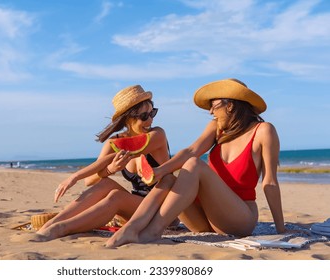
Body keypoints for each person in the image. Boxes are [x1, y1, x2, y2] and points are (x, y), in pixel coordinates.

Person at [106, 78, 286, 248]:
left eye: (214, 106)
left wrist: (281, 229)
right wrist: (160, 171)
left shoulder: (263, 131)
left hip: (239, 218)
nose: (210, 112)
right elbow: (192, 150)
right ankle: (134, 228)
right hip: (205, 221)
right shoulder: (217, 128)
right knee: (170, 178)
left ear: (230, 105)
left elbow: (269, 182)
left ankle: (152, 232)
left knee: (193, 164)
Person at [36, 85, 172, 240]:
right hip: (135, 207)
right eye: (144, 116)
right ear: (128, 117)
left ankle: (63, 228)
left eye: (152, 112)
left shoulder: (157, 134)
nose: (151, 119)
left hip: (162, 208)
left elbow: (129, 151)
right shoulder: (114, 142)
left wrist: (74, 176)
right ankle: (51, 224)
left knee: (116, 195)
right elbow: (90, 181)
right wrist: (110, 170)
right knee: (105, 184)